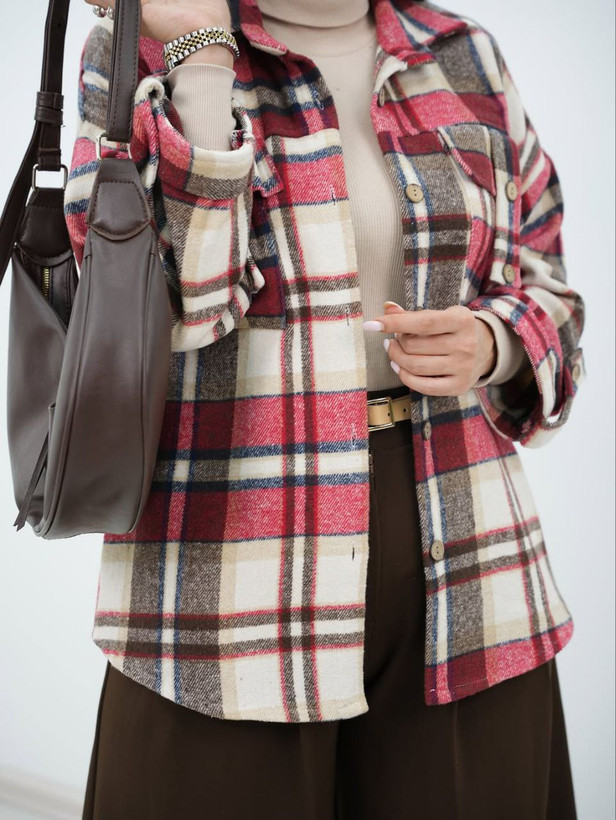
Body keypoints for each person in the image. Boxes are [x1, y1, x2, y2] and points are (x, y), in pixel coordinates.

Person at [66, 0, 586, 816]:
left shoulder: (462, 52)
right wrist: (203, 57)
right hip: (226, 559)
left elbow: (548, 286)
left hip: (469, 555)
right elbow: (173, 308)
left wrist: (495, 341)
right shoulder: (141, 38)